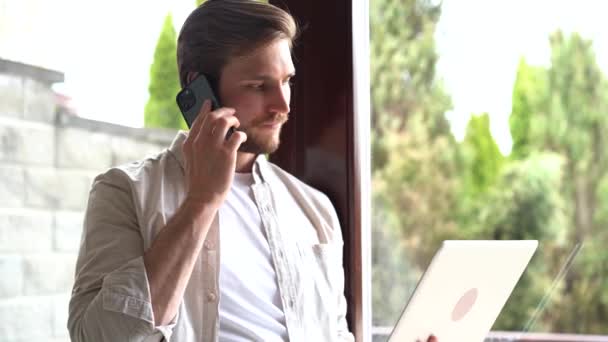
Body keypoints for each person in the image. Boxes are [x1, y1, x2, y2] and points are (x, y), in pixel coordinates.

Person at [68, 1, 354, 341]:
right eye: (259, 86)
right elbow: (98, 337)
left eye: (287, 80)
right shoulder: (124, 191)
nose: (284, 105)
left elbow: (337, 334)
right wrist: (202, 201)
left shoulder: (315, 209)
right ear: (199, 89)